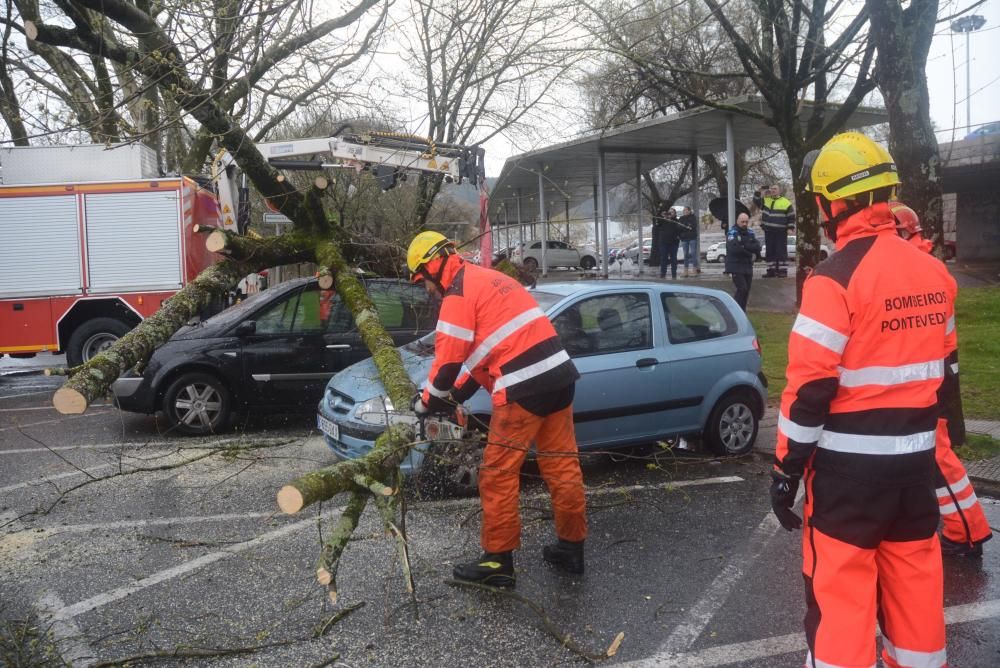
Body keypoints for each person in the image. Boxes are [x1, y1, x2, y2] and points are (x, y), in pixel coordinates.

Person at [771, 132, 954, 667]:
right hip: (915, 469)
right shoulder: (935, 273)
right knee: (917, 594)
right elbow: (941, 368)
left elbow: (808, 390)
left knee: (842, 606)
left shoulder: (833, 280)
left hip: (848, 480)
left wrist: (786, 469)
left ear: (833, 203)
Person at [406, 231, 587, 587]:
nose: (425, 288)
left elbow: (446, 363)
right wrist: (453, 398)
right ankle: (572, 547)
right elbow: (482, 357)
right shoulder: (492, 279)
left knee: (497, 474)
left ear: (432, 265)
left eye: (421, 279)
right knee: (561, 463)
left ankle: (497, 562)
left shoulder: (457, 294)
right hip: (559, 377)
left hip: (523, 388)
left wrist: (426, 402)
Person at [890, 201, 992, 557]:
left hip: (930, 376)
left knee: (937, 459)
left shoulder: (912, 270)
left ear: (900, 233)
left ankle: (968, 529)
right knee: (933, 456)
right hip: (939, 371)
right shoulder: (931, 268)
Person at [753, 183, 794, 277]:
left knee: (781, 251)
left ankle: (782, 271)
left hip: (781, 231)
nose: (773, 190)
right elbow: (756, 201)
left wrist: (790, 228)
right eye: (771, 189)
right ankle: (771, 271)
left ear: (779, 191)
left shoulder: (785, 202)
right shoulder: (766, 200)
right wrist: (759, 191)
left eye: (775, 189)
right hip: (769, 231)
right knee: (770, 251)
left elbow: (791, 216)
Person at [723, 212, 760, 311]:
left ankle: (742, 312)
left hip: (747, 266)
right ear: (737, 221)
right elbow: (734, 249)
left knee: (746, 291)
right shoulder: (732, 232)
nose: (744, 224)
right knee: (742, 289)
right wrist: (749, 252)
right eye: (742, 221)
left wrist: (744, 246)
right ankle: (733, 310)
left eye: (746, 222)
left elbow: (757, 247)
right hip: (735, 265)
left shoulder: (750, 232)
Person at [655, 204, 680, 279]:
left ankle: (674, 274)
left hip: (674, 243)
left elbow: (679, 229)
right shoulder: (662, 220)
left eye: (672, 212)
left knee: (673, 259)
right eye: (669, 212)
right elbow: (657, 222)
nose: (670, 213)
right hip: (664, 242)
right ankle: (663, 274)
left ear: (675, 214)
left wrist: (671, 219)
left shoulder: (676, 221)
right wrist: (663, 216)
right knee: (663, 258)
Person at [678, 206, 700, 276]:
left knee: (693, 253)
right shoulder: (681, 218)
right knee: (685, 255)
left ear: (690, 211)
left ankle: (694, 270)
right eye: (684, 210)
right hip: (684, 238)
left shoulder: (693, 217)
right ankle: (685, 271)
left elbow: (693, 226)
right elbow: (679, 227)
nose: (685, 211)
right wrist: (686, 226)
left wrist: (686, 225)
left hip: (692, 238)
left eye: (686, 210)